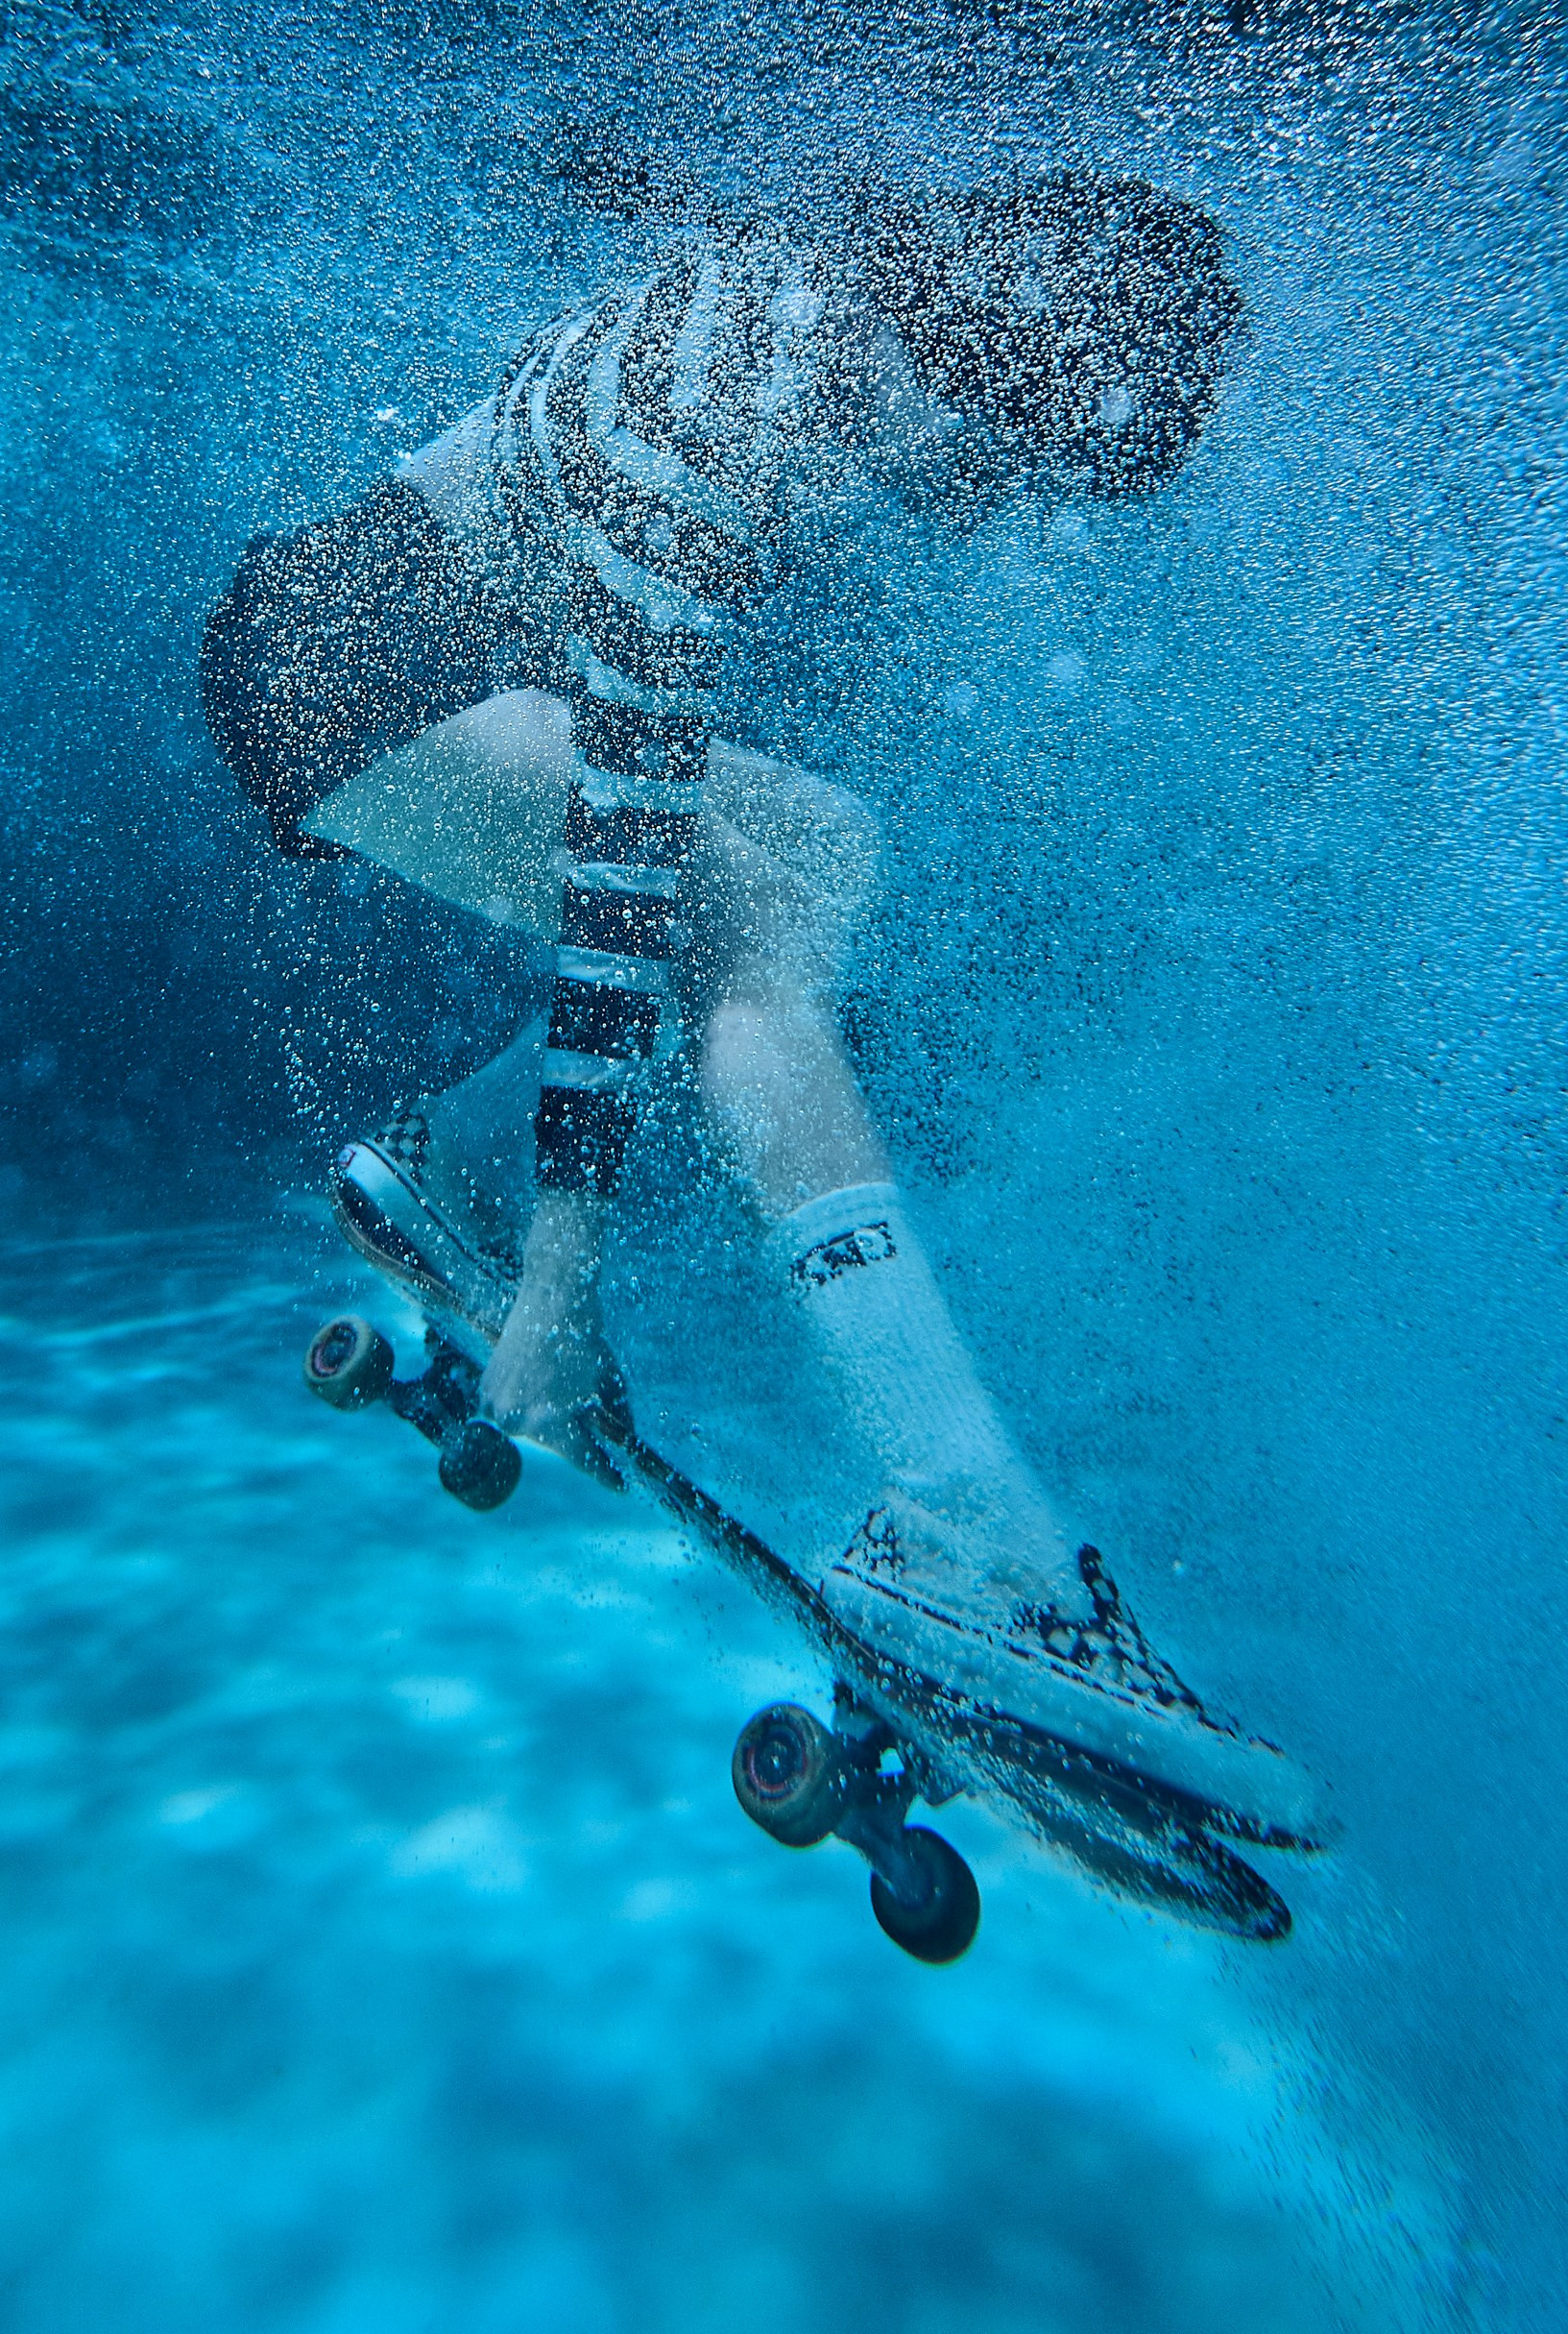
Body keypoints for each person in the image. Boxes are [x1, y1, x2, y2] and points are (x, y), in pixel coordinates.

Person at [202, 173, 1293, 1825]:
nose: (997, 511)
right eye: (1016, 463)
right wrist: (564, 1283)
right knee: (740, 922)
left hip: (376, 643)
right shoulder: (725, 421)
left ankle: (464, 1169)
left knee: (825, 854)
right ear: (992, 363)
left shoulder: (819, 322)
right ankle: (966, 1535)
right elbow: (617, 879)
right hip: (333, 669)